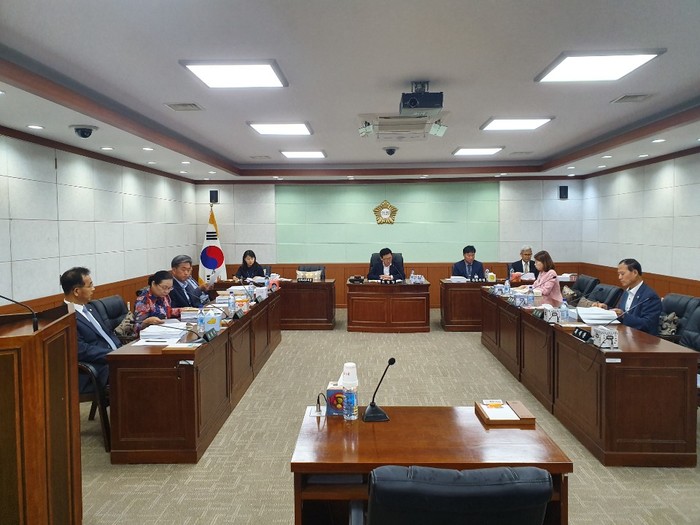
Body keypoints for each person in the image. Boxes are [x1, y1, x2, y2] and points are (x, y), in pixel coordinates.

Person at [60, 267, 121, 393]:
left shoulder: (90, 308)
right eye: (90, 285)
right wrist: (113, 355)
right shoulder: (65, 317)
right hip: (97, 369)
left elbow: (107, 333)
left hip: (115, 359)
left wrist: (122, 349)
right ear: (76, 291)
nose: (94, 289)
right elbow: (81, 350)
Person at [591, 258, 662, 335]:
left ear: (635, 273)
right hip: (624, 334)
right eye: (619, 274)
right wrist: (606, 308)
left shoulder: (650, 296)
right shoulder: (626, 292)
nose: (619, 277)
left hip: (642, 338)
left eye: (622, 274)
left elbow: (648, 325)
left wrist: (624, 316)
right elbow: (621, 312)